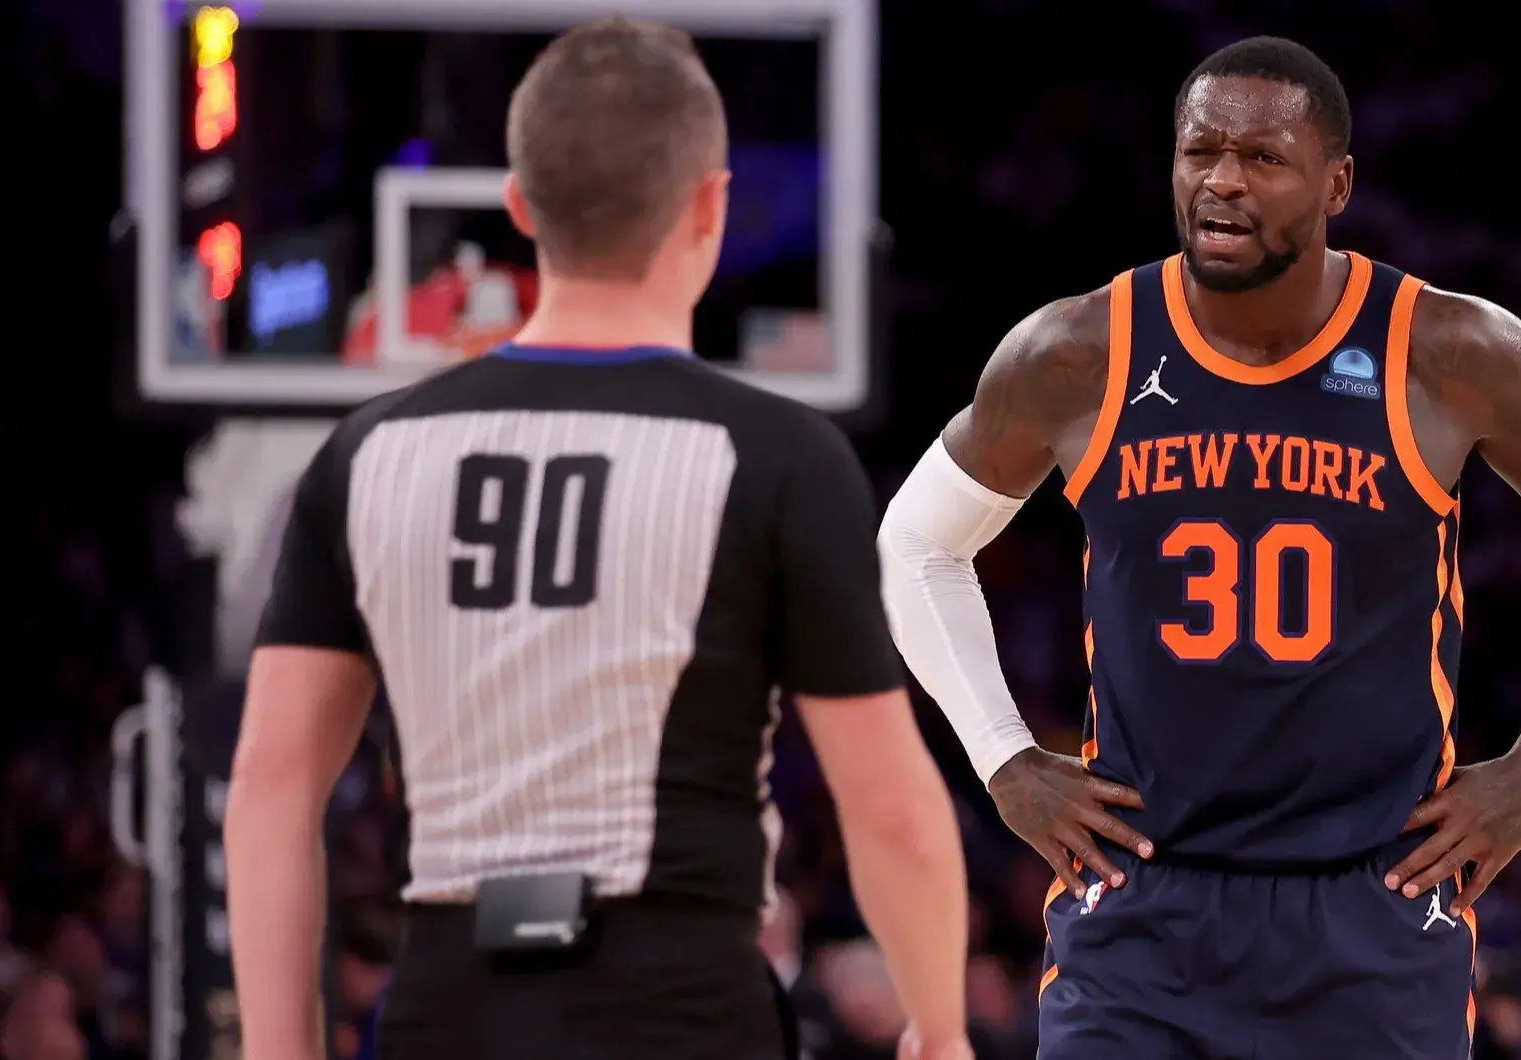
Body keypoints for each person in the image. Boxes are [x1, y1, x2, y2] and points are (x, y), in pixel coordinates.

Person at [878, 35, 1521, 1059]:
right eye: (1198, 151)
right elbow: (912, 543)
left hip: (1374, 900)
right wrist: (1002, 759)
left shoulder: (1447, 350)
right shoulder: (1079, 351)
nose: (1221, 180)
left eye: (1262, 158)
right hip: (1142, 900)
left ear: (1335, 181)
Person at [222, 18, 971, 1060]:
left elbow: (270, 785)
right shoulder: (775, 456)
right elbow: (885, 802)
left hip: (448, 1000)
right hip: (681, 1000)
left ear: (519, 206)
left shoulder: (365, 454)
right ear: (711, 205)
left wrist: (275, 1050)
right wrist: (938, 1030)